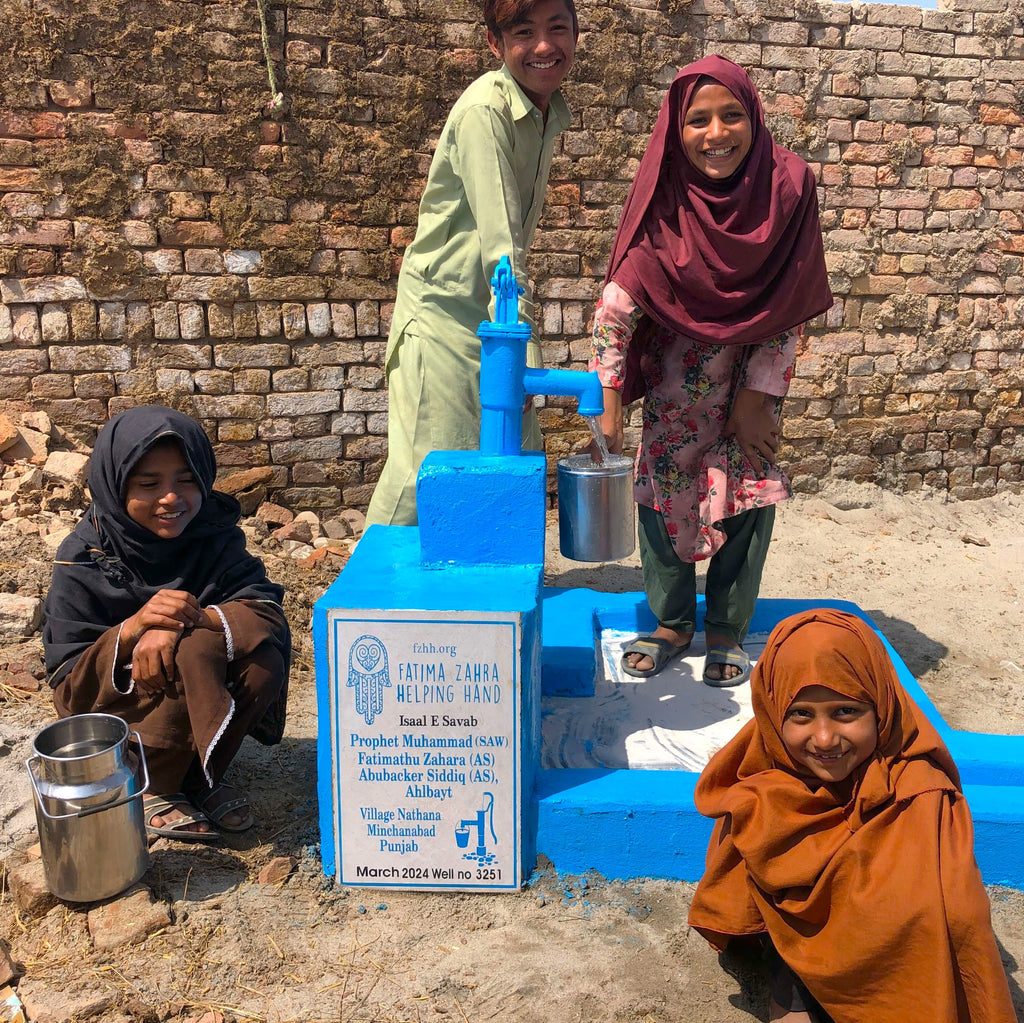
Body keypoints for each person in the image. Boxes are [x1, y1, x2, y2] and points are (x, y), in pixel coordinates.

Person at [589, 55, 833, 684]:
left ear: (754, 116)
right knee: (662, 500)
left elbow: (792, 299)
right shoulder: (665, 193)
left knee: (748, 501)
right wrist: (609, 393)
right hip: (676, 391)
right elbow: (619, 301)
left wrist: (758, 397)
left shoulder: (787, 187)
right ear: (676, 129)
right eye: (697, 120)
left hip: (750, 383)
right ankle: (671, 622)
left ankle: (727, 626)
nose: (716, 133)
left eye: (731, 115)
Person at [688, 608, 1016, 1023]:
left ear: (880, 706)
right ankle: (793, 973)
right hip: (795, 946)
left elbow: (957, 917)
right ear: (773, 713)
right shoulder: (764, 770)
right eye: (801, 715)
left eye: (846, 712)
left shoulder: (921, 792)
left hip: (889, 963)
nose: (825, 739)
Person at [365, 0, 578, 527]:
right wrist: (518, 351)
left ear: (577, 34)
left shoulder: (544, 110)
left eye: (558, 28)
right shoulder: (488, 110)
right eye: (524, 32)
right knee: (425, 474)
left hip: (489, 313)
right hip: (443, 317)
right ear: (495, 43)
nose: (545, 46)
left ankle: (484, 601)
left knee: (507, 460)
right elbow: (503, 249)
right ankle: (369, 598)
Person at [43, 406, 290, 841]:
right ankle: (151, 781)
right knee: (188, 654)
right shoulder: (84, 557)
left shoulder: (214, 536)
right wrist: (133, 629)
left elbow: (263, 606)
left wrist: (180, 623)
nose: (171, 498)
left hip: (192, 676)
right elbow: (67, 680)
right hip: (121, 707)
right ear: (114, 484)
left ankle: (201, 774)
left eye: (187, 479)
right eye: (148, 483)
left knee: (258, 656)